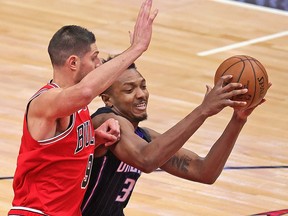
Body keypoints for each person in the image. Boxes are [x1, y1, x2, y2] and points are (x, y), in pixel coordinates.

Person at [8, 1, 158, 215]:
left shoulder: (78, 108)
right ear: (73, 63)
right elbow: (87, 91)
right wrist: (137, 48)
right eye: (94, 58)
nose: (99, 65)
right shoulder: (46, 101)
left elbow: (60, 153)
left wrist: (94, 139)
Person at [81, 56, 269, 216]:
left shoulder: (144, 137)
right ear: (108, 99)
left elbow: (204, 171)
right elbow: (145, 159)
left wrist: (238, 119)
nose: (141, 94)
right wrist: (203, 110)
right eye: (129, 90)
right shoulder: (106, 121)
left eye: (143, 86)